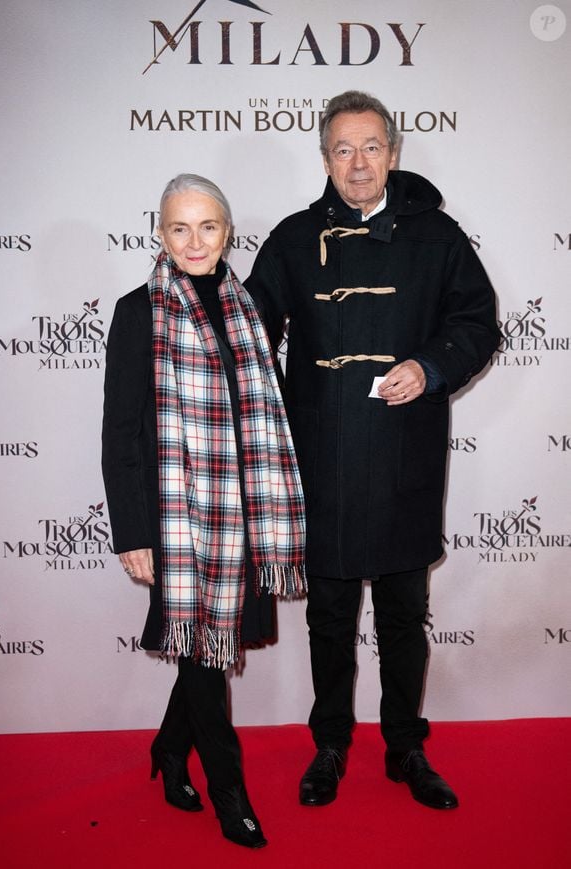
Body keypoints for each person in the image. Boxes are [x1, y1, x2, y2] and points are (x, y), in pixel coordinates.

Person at [245, 91, 500, 811]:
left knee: (400, 613)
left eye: (370, 147)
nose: (357, 164)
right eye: (342, 150)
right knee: (327, 614)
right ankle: (330, 744)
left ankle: (405, 747)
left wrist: (430, 365)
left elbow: (477, 321)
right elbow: (251, 335)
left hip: (402, 457)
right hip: (319, 457)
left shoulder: (439, 236)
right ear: (325, 158)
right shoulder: (292, 240)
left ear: (393, 152)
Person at [102, 173, 306, 848]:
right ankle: (230, 791)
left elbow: (263, 413)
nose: (194, 242)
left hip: (242, 512)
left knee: (205, 654)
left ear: (227, 231)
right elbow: (121, 432)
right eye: (179, 228)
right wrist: (132, 530)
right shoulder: (139, 311)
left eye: (208, 227)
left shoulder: (250, 308)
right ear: (160, 234)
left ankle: (167, 749)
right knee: (203, 656)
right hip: (178, 521)